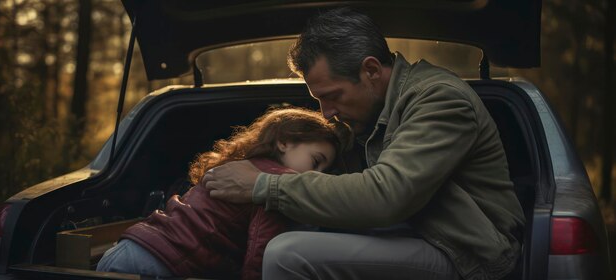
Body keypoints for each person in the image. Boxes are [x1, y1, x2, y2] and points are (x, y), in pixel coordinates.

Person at [202, 7, 526, 280]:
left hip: (463, 253)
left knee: (286, 254)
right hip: (407, 235)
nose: (326, 114)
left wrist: (264, 186)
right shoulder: (364, 116)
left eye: (332, 96)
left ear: (371, 70)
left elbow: (386, 196)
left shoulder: (439, 99)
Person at [96, 107, 352, 280]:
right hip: (153, 263)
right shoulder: (272, 183)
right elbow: (261, 250)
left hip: (134, 248)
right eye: (316, 161)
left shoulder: (241, 167)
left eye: (324, 170)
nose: (317, 175)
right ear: (285, 141)